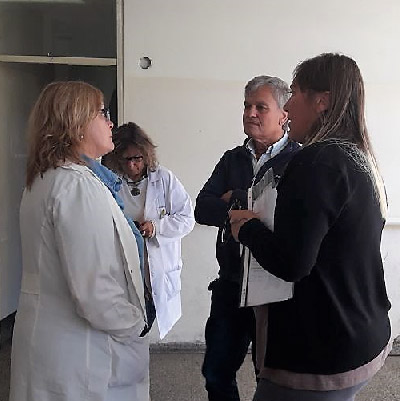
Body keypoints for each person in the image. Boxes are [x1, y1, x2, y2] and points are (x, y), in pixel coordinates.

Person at [230, 53, 392, 401]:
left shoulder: (317, 160)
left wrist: (247, 229)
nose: (288, 107)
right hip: (363, 331)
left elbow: (292, 263)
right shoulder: (358, 156)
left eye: (295, 93)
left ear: (322, 101)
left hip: (323, 350)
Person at [9, 81, 150, 401]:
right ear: (75, 122)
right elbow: (95, 291)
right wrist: (136, 326)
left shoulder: (47, 179)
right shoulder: (76, 186)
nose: (111, 123)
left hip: (57, 346)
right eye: (102, 113)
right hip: (84, 356)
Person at [195, 76, 300, 401]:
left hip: (276, 288)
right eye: (247, 106)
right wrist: (247, 208)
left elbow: (289, 219)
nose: (250, 113)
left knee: (269, 375)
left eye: (260, 107)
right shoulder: (233, 159)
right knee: (216, 373)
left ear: (283, 115)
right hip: (231, 283)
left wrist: (236, 197)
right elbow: (202, 208)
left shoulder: (299, 161)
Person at [106, 122, 195, 339]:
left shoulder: (164, 179)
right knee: (127, 328)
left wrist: (156, 227)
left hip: (155, 268)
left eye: (137, 158)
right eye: (126, 159)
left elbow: (186, 218)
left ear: (146, 155)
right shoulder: (112, 181)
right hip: (123, 266)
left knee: (144, 323)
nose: (132, 165)